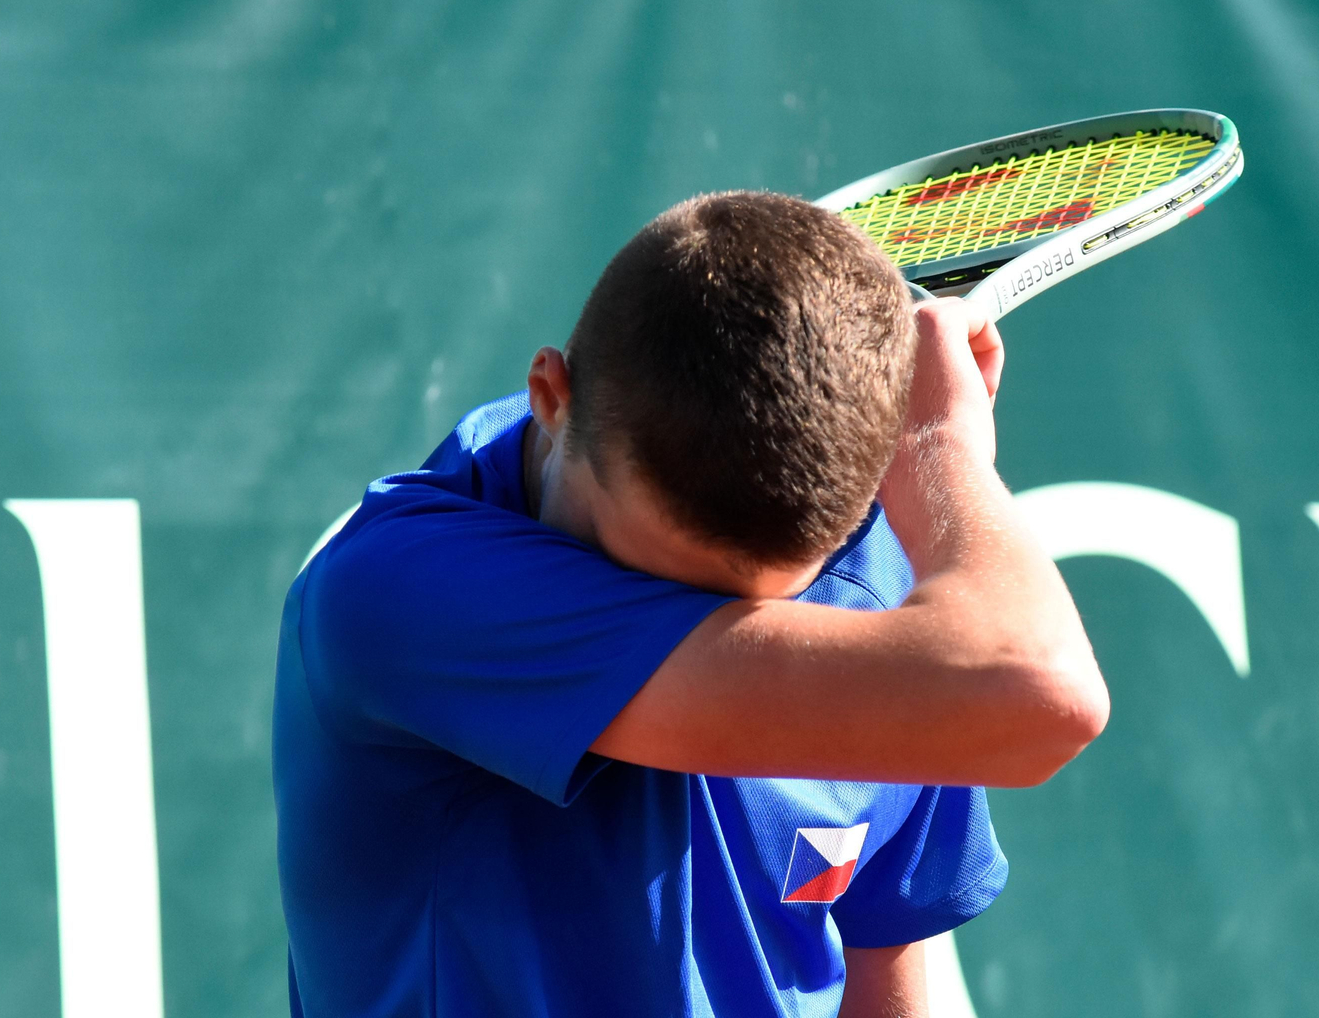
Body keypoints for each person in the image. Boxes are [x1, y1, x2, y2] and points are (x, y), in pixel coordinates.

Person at [273, 190, 1108, 1017]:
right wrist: (942, 448)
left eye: (765, 608)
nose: (708, 623)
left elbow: (881, 951)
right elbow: (1044, 692)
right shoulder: (400, 592)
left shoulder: (884, 575)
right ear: (552, 399)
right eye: (645, 572)